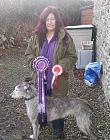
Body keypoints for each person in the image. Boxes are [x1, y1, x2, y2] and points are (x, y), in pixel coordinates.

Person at [25, 5, 77, 139]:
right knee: (41, 103)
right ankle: (42, 122)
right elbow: (29, 54)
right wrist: (34, 63)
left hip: (58, 81)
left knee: (57, 106)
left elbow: (72, 56)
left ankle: (58, 131)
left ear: (57, 20)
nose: (50, 22)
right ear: (43, 21)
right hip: (39, 79)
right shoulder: (36, 37)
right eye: (47, 19)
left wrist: (61, 66)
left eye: (52, 19)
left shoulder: (65, 38)